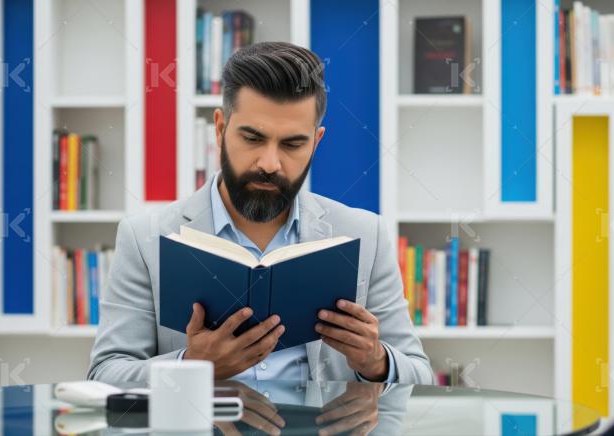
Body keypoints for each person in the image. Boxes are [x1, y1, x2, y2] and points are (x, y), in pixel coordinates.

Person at [87, 42, 432, 386]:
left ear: (316, 142)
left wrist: (375, 360)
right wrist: (191, 365)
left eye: (292, 144)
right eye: (252, 138)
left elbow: (422, 378)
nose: (269, 163)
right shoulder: (144, 237)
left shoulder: (366, 234)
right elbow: (106, 374)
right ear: (220, 129)